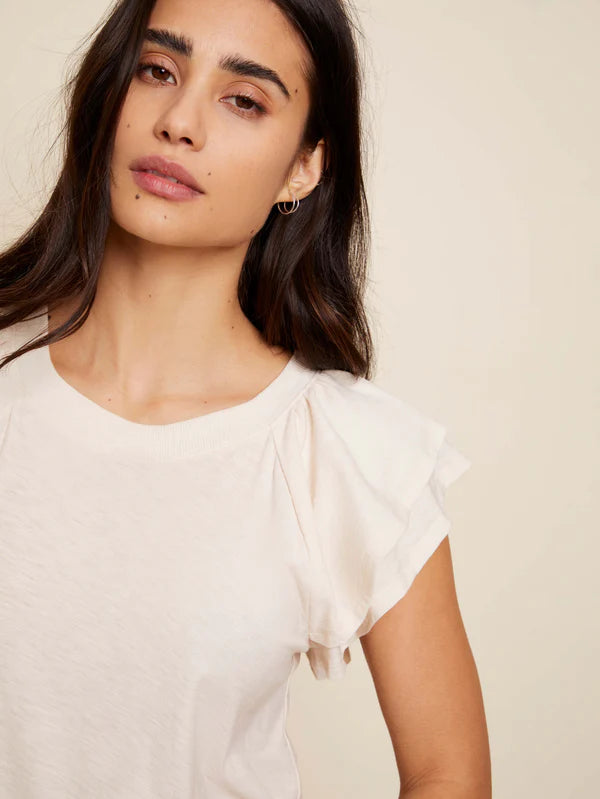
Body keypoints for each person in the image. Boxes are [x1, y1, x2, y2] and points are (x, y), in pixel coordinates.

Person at [0, 0, 491, 797]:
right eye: (157, 70)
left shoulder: (345, 454)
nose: (179, 122)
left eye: (244, 100)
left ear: (304, 167)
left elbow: (450, 774)